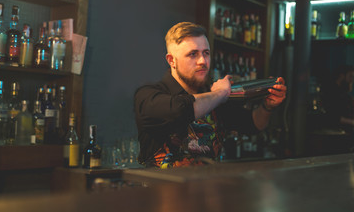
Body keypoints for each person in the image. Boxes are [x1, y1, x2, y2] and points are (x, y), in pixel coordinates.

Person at [134, 22, 287, 168]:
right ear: (172, 60)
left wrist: (267, 106)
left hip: (209, 190)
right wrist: (221, 93)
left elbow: (252, 124)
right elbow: (181, 110)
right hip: (161, 193)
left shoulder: (214, 94)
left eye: (206, 53)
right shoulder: (148, 96)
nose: (203, 61)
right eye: (193, 54)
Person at [321, 65, 354, 132]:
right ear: (341, 76)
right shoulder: (330, 92)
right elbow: (333, 116)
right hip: (335, 133)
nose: (352, 80)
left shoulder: (345, 96)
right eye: (350, 76)